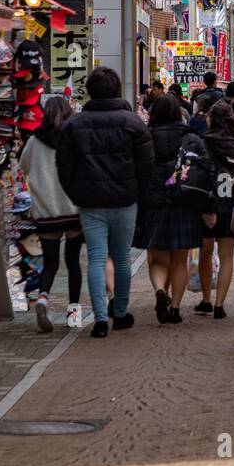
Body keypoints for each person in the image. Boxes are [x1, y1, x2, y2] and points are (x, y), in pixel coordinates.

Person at [56, 66, 154, 337]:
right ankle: (119, 313)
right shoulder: (133, 123)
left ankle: (100, 319)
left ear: (89, 91)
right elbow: (147, 165)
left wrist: (77, 194)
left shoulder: (74, 125)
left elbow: (64, 167)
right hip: (125, 200)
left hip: (90, 203)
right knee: (121, 258)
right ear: (117, 89)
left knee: (96, 258)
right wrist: (138, 194)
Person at [133, 92, 207, 324]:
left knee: (159, 259)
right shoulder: (191, 138)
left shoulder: (145, 137)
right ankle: (175, 309)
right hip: (185, 202)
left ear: (153, 113)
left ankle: (159, 290)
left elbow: (138, 170)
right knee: (179, 260)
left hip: (154, 203)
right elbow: (205, 170)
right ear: (178, 112)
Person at [20, 96, 84, 331]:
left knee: (50, 263)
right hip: (72, 209)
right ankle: (73, 313)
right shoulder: (75, 138)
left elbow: (24, 166)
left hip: (46, 211)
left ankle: (43, 299)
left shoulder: (34, 140)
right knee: (73, 262)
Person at [197, 101, 234, 318]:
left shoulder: (204, 141)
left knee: (205, 253)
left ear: (211, 119)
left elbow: (200, 172)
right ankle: (220, 305)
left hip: (208, 202)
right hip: (231, 203)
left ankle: (206, 299)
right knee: (227, 256)